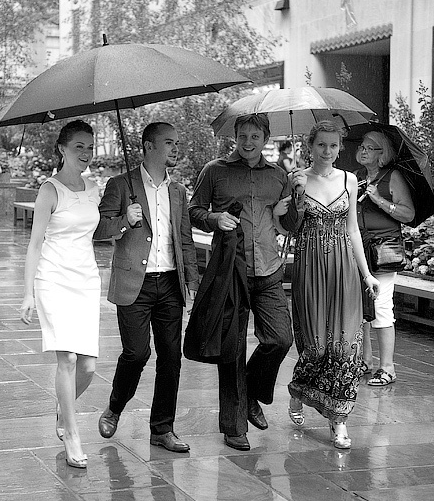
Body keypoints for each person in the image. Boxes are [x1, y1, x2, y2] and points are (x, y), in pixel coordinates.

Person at [189, 113, 294, 451]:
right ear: (234, 136)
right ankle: (234, 426)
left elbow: (290, 224)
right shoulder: (214, 171)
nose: (248, 143)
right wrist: (213, 218)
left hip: (269, 268)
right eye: (243, 136)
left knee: (280, 338)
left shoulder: (279, 177)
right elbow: (193, 210)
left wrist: (294, 206)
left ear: (266, 139)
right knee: (232, 347)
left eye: (255, 137)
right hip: (230, 270)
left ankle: (249, 392)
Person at [94, 122, 199, 453]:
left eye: (177, 142)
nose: (175, 148)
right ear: (149, 146)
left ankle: (162, 428)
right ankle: (115, 407)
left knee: (171, 357)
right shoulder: (120, 185)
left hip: (169, 282)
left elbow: (184, 239)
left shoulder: (178, 191)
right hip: (133, 284)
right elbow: (98, 229)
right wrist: (126, 219)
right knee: (137, 353)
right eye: (169, 142)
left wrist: (191, 282)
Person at [280, 120, 380, 450]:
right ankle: (299, 392)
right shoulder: (297, 179)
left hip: (344, 269)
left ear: (340, 148)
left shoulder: (349, 180)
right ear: (310, 146)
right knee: (316, 346)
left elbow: (352, 230)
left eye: (333, 145)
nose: (327, 151)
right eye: (321, 145)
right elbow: (288, 228)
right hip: (309, 266)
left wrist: (366, 274)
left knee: (344, 346)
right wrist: (294, 198)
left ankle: (338, 421)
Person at [20, 120, 100, 469]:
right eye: (79, 146)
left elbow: (103, 230)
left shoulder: (94, 188)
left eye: (90, 147)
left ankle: (62, 407)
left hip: (86, 280)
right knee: (66, 360)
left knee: (89, 367)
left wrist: (127, 217)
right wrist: (27, 294)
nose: (86, 153)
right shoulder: (49, 191)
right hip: (53, 278)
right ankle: (71, 431)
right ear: (62, 149)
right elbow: (35, 244)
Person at [356, 130, 416, 387]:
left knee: (380, 305)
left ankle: (387, 367)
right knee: (361, 307)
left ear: (382, 154)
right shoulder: (357, 177)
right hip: (359, 247)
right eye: (362, 146)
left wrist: (378, 200)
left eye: (370, 147)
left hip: (383, 250)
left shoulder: (393, 177)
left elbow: (408, 214)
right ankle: (365, 360)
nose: (363, 150)